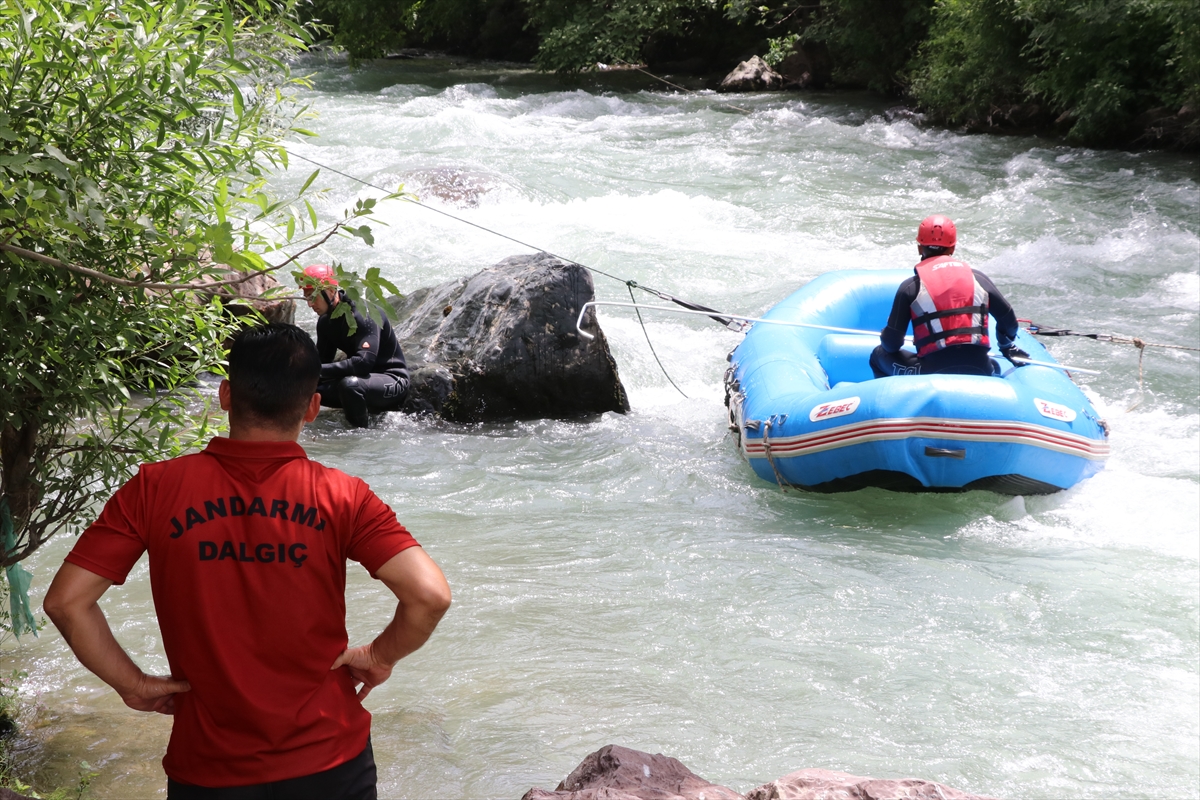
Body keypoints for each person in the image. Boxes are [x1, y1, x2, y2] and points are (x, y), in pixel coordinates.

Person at [43, 323, 452, 799]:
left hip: (210, 770)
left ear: (224, 395)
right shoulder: (343, 495)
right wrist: (379, 657)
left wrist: (132, 683)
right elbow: (429, 596)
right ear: (314, 408)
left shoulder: (155, 489)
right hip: (331, 760)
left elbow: (67, 603)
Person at [870, 215, 1029, 378]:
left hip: (929, 373)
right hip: (981, 370)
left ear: (919, 248)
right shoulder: (979, 279)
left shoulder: (910, 287)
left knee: (878, 355)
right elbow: (1009, 323)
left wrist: (885, 335)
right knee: (994, 365)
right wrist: (1006, 346)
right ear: (952, 248)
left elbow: (891, 346)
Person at [299, 263, 410, 428]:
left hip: (392, 381)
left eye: (313, 297)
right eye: (306, 297)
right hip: (360, 383)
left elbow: (362, 364)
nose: (309, 304)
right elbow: (322, 362)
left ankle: (359, 437)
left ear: (330, 290)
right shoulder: (325, 322)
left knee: (350, 385)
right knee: (304, 386)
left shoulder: (364, 315)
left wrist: (315, 369)